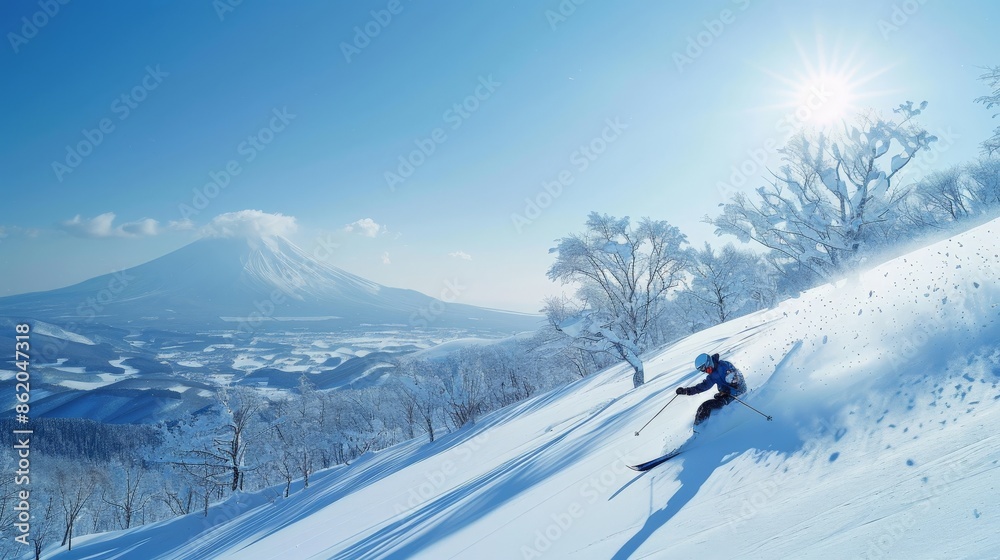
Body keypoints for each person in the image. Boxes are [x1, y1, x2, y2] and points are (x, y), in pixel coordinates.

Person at [675, 352, 747, 426]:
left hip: (736, 394)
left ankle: (701, 430)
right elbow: (703, 386)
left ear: (710, 363)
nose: (707, 372)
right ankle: (697, 429)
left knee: (706, 406)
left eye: (707, 369)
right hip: (726, 395)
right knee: (703, 407)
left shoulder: (724, 366)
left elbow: (737, 377)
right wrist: (686, 391)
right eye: (704, 371)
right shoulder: (712, 376)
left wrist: (734, 382)